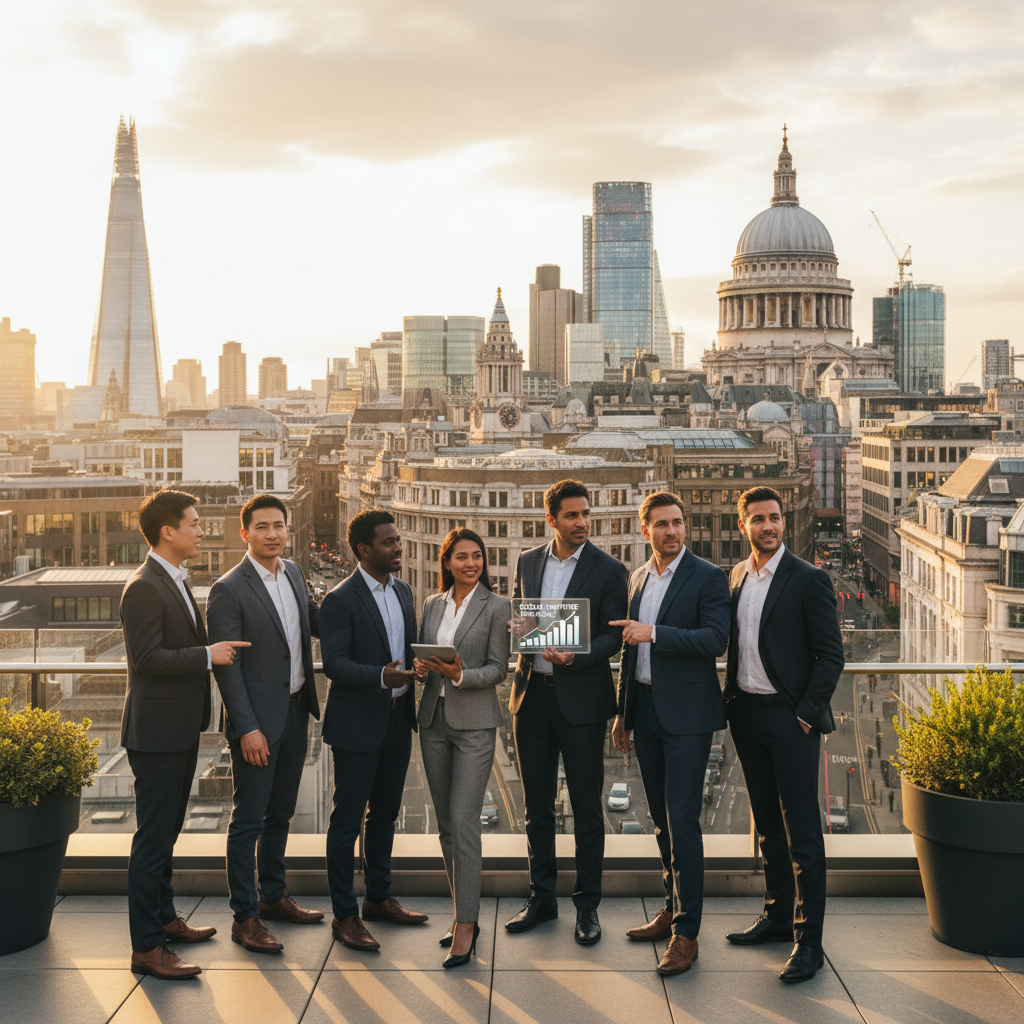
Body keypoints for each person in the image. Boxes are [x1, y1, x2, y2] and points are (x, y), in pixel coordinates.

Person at [120, 490, 250, 980]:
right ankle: (147, 949)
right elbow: (147, 659)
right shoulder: (144, 586)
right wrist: (207, 654)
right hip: (155, 733)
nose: (201, 530)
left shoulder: (170, 578)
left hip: (174, 729)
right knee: (153, 840)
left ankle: (165, 919)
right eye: (194, 523)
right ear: (167, 532)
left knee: (167, 832)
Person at [724, 486, 844, 984]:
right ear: (743, 526)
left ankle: (808, 943)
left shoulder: (808, 578)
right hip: (747, 716)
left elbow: (831, 655)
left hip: (788, 719)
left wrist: (804, 715)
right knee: (769, 828)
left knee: (803, 835)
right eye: (758, 519)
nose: (769, 526)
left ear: (782, 523)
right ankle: (776, 917)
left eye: (774, 518)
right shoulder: (735, 577)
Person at [611, 491, 730, 976]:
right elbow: (629, 652)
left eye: (678, 523)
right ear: (646, 531)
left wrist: (654, 632)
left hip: (687, 716)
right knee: (660, 818)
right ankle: (670, 906)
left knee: (683, 821)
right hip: (647, 710)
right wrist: (623, 714)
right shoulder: (638, 577)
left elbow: (715, 639)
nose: (672, 532)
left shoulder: (707, 576)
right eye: (662, 525)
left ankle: (687, 933)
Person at [504, 479, 627, 945]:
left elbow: (614, 637)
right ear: (551, 519)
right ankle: (542, 898)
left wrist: (578, 655)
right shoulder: (527, 560)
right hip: (531, 694)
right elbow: (525, 618)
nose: (582, 523)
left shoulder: (608, 568)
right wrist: (519, 626)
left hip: (581, 700)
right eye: (572, 515)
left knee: (586, 808)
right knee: (536, 807)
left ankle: (588, 907)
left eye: (586, 514)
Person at [207, 495, 325, 954]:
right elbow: (227, 668)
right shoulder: (229, 588)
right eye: (262, 527)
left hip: (296, 710)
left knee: (281, 814)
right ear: (245, 533)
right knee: (248, 820)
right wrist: (247, 728)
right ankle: (245, 916)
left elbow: (316, 623)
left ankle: (273, 896)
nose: (272, 534)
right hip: (257, 723)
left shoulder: (293, 572)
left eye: (278, 525)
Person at [319, 509, 428, 951]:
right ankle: (345, 915)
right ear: (364, 550)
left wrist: (420, 666)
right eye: (389, 542)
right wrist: (382, 677)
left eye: (398, 540)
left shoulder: (403, 590)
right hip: (357, 724)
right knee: (346, 821)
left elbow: (406, 646)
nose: (398, 547)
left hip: (398, 720)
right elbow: (335, 665)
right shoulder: (339, 599)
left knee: (384, 815)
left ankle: (378, 899)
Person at [413, 528, 510, 968]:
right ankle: (459, 911)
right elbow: (428, 657)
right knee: (447, 826)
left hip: (474, 724)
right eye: (462, 557)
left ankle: (467, 924)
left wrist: (457, 674)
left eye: (477, 557)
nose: (471, 564)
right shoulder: (433, 604)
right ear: (447, 562)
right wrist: (422, 667)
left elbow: (497, 670)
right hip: (433, 720)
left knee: (466, 822)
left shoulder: (497, 606)